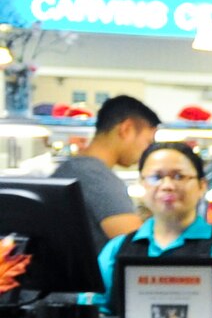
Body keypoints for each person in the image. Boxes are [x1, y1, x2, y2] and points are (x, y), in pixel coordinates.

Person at [97, 141, 212, 304]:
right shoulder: (116, 249)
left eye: (179, 176)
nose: (167, 186)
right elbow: (96, 310)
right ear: (142, 184)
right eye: (156, 177)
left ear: (201, 186)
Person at [55, 94, 157, 241]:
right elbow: (135, 245)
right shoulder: (97, 177)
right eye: (147, 141)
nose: (146, 150)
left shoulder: (71, 168)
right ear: (126, 129)